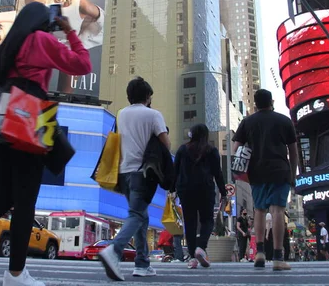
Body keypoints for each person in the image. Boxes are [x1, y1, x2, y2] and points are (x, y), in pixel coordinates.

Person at [0, 2, 92, 286]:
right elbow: (82, 64)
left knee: (6, 196)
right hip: (28, 123)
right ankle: (14, 275)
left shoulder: (0, 52)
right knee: (25, 203)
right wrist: (70, 33)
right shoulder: (41, 40)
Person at [98, 77, 170, 281]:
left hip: (123, 173)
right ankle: (114, 250)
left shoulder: (121, 114)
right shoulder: (153, 115)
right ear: (148, 96)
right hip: (143, 172)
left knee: (141, 216)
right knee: (137, 215)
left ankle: (142, 263)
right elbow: (166, 144)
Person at [232, 89, 298, 271]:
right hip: (280, 170)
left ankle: (259, 253)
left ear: (255, 104)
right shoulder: (284, 120)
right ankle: (278, 256)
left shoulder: (247, 122)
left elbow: (235, 147)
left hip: (257, 171)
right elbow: (293, 150)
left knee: (259, 210)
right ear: (272, 102)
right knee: (277, 211)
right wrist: (293, 173)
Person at [24, 0, 104, 94]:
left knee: (67, 89)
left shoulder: (82, 4)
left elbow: (103, 21)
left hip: (68, 48)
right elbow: (27, 8)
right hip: (43, 47)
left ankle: (62, 106)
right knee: (33, 86)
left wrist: (82, 40)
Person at [173, 123, 227, 269]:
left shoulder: (183, 149)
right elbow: (218, 173)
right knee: (207, 220)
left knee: (190, 223)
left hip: (186, 191)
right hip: (206, 190)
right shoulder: (212, 150)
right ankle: (201, 248)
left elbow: (175, 170)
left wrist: (172, 188)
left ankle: (192, 257)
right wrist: (223, 192)